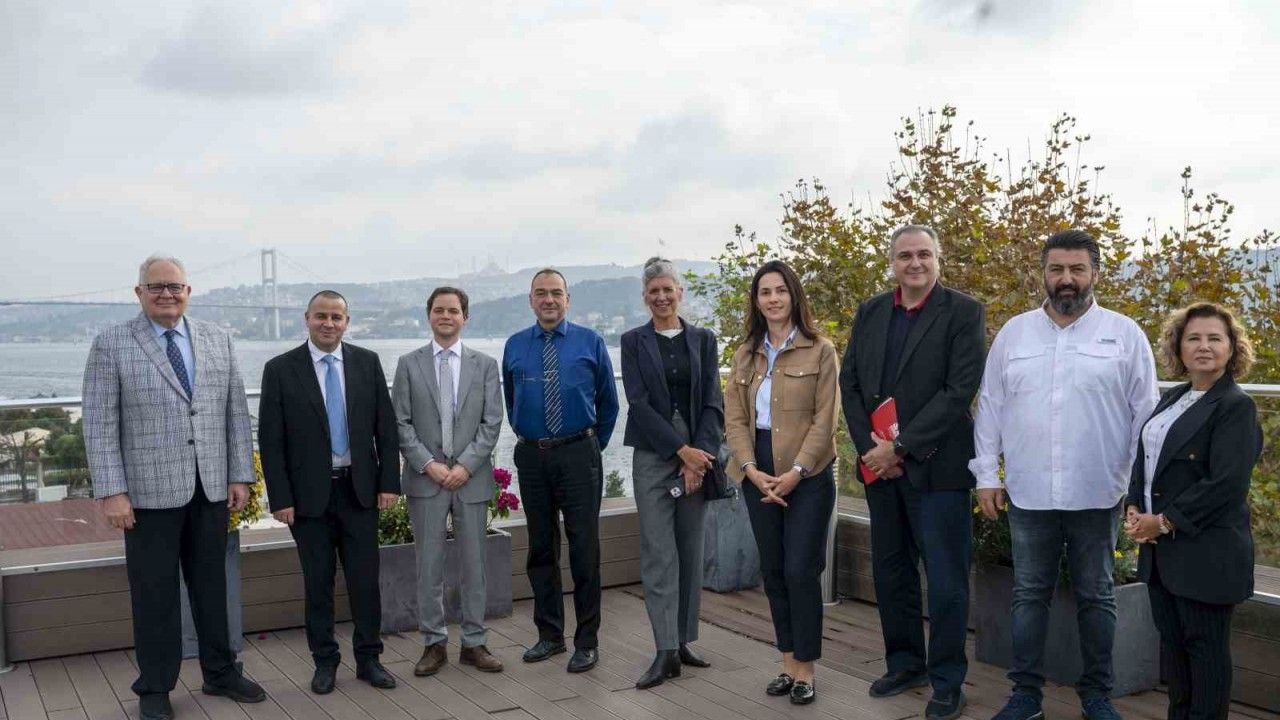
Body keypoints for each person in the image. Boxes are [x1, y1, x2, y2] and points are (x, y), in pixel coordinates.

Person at [971, 230, 1159, 720]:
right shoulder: (1014, 334)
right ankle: (1025, 696)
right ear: (1044, 274)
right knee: (1028, 595)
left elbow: (1146, 417)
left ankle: (1096, 696)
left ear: (1095, 273)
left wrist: (1138, 491)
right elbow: (990, 407)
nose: (1066, 278)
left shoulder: (1125, 335)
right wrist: (987, 475)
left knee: (1098, 597)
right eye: (1057, 269)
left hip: (1099, 492)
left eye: (1077, 268)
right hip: (1029, 492)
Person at [82, 254, 266, 720]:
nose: (166, 294)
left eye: (175, 286)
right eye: (156, 286)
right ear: (139, 292)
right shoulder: (111, 343)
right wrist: (112, 491)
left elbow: (234, 413)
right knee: (155, 596)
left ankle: (220, 672)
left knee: (212, 589)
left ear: (188, 291)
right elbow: (99, 425)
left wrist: (239, 474)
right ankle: (155, 687)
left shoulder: (218, 339)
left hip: (210, 488)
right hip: (146, 497)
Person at [839, 225, 985, 720]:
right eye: (905, 256)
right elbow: (850, 383)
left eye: (924, 254)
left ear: (938, 258)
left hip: (938, 469)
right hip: (882, 471)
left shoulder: (964, 312)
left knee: (946, 582)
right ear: (892, 262)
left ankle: (947, 682)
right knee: (892, 572)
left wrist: (900, 447)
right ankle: (905, 664)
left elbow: (958, 390)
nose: (915, 263)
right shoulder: (871, 311)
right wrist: (872, 450)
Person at [258, 290, 400, 694]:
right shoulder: (280, 369)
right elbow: (271, 440)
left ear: (346, 322)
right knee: (318, 584)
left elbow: (386, 429)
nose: (329, 323)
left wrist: (389, 483)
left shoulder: (367, 362)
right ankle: (325, 662)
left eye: (337, 317)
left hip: (360, 492)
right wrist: (281, 498)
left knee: (365, 583)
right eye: (321, 316)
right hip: (308, 499)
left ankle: (369, 659)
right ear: (307, 318)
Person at [1124, 303, 1261, 720]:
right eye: (1194, 338)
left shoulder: (1235, 405)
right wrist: (1134, 506)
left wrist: (1163, 522)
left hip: (1207, 551)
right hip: (1162, 554)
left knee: (1205, 654)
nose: (1204, 346)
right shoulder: (1175, 397)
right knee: (1175, 650)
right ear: (1178, 347)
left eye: (1215, 338)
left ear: (1232, 348)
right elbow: (1146, 458)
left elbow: (1227, 484)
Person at [724, 260, 838, 705]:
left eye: (780, 290)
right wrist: (750, 469)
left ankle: (806, 669)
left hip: (806, 475)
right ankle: (788, 663)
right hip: (758, 473)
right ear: (756, 301)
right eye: (765, 292)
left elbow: (825, 421)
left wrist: (797, 472)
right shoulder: (745, 354)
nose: (773, 299)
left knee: (800, 570)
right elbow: (735, 419)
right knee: (773, 571)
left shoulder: (820, 350)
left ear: (794, 296)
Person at [502, 268, 620, 673]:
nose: (548, 299)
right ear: (530, 300)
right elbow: (512, 400)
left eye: (556, 293)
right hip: (532, 455)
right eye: (541, 293)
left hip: (578, 454)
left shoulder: (591, 342)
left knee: (584, 548)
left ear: (567, 299)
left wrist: (590, 447)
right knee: (540, 548)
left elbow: (609, 403)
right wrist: (533, 435)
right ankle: (549, 635)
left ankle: (587, 641)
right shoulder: (515, 345)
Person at [620, 258, 724, 689]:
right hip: (653, 454)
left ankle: (682, 641)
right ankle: (664, 650)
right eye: (653, 291)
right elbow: (638, 404)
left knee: (689, 550)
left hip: (698, 454)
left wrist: (699, 456)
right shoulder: (632, 341)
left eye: (668, 289)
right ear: (645, 297)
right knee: (659, 553)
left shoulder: (703, 339)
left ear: (680, 292)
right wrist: (681, 452)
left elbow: (713, 401)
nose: (661, 297)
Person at [392, 287, 505, 676]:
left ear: (465, 317)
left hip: (470, 480)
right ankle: (433, 643)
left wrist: (467, 466)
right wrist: (428, 464)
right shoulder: (408, 364)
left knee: (475, 565)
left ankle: (474, 642)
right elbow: (400, 423)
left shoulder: (485, 365)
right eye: (439, 310)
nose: (445, 316)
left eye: (453, 310)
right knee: (429, 566)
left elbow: (492, 422)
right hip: (426, 480)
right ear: (429, 316)